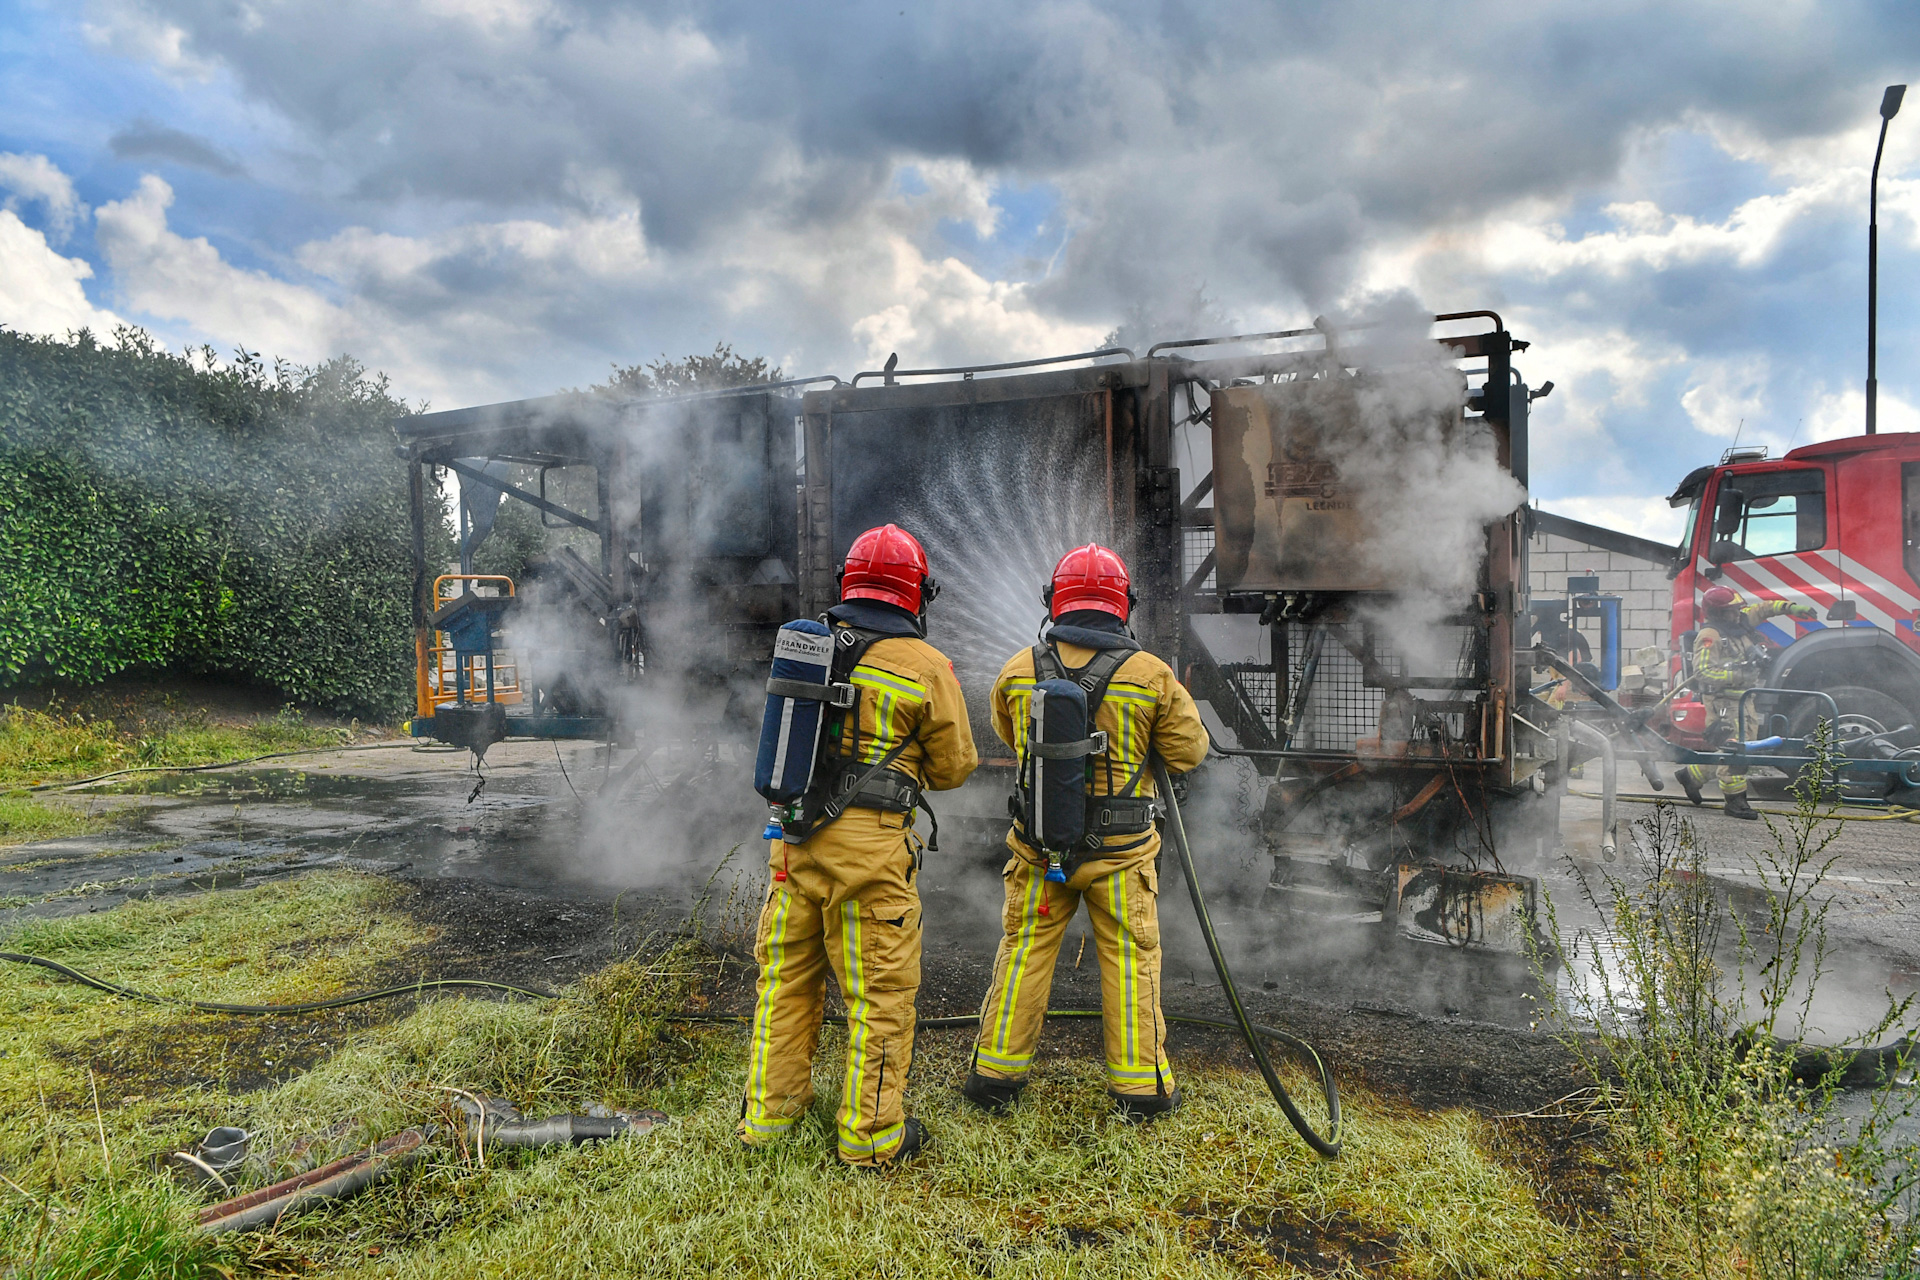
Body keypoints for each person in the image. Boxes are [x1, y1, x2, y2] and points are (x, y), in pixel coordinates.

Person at [738, 524, 978, 1167]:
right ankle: (871, 1138)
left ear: (848, 582)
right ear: (916, 593)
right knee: (880, 994)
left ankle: (769, 1118)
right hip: (869, 855)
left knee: (785, 981)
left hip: (792, 845)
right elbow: (956, 767)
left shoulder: (809, 645)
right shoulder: (925, 666)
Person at [963, 544, 1210, 1122]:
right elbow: (1188, 751)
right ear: (1123, 606)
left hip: (1039, 847)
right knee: (1129, 957)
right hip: (1120, 858)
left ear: (1055, 602)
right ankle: (1139, 1090)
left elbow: (1012, 737)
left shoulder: (1019, 669)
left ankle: (994, 1076)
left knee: (1023, 950)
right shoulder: (1151, 675)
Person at [1675, 585, 1816, 820]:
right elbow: (1703, 673)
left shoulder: (1738, 623)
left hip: (1743, 699)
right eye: (1732, 611)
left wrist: (1791, 608)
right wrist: (1738, 676)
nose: (1738, 614)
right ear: (1718, 613)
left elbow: (1763, 609)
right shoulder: (1710, 636)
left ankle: (1690, 777)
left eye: (1738, 609)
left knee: (1740, 747)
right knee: (1736, 751)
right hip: (1724, 703)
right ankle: (1735, 802)